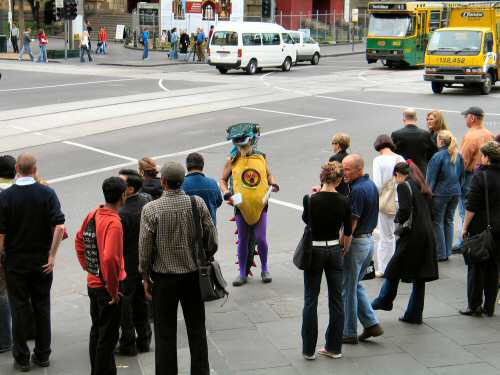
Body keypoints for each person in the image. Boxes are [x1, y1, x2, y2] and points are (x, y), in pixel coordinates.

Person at [139, 162, 217, 375]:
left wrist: (145, 275)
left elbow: (145, 249)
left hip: (163, 279)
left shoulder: (151, 209)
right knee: (197, 330)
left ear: (163, 182)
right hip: (193, 276)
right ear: (181, 181)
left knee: (165, 333)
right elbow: (212, 236)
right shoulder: (196, 203)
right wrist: (206, 256)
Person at [0, 154, 65, 371]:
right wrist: (52, 255)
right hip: (41, 262)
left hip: (15, 262)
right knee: (42, 306)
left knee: (19, 308)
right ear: (35, 168)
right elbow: (59, 226)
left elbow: (1, 233)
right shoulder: (47, 193)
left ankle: (21, 358)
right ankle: (43, 354)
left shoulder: (6, 197)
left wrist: (2, 256)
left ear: (18, 168)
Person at [372, 161, 439, 324]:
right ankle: (414, 314)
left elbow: (404, 210)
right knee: (419, 276)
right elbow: (433, 211)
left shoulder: (403, 186)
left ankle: (383, 300)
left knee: (394, 268)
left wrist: (397, 222)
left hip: (412, 234)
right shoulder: (422, 186)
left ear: (398, 174)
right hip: (427, 233)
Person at [75, 177, 127, 375]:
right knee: (107, 337)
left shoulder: (93, 214)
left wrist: (88, 267)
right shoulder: (114, 223)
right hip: (108, 288)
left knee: (97, 331)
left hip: (93, 284)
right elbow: (110, 259)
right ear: (123, 195)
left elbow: (79, 241)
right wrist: (113, 291)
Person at [301, 162, 352, 361]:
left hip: (314, 250)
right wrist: (342, 249)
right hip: (334, 249)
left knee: (310, 300)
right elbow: (347, 231)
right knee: (337, 299)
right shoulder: (344, 201)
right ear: (339, 180)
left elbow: (307, 220)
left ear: (322, 177)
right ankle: (333, 347)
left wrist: (314, 195)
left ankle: (308, 349)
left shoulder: (310, 200)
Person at [220, 123, 279, 286]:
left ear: (252, 142)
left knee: (261, 238)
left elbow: (269, 175)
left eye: (245, 144)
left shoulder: (261, 157)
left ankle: (265, 268)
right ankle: (242, 273)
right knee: (243, 238)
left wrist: (274, 183)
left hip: (261, 204)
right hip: (240, 206)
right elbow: (223, 180)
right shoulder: (232, 159)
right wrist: (226, 192)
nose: (243, 147)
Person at [341, 154, 383, 344]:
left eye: (347, 169)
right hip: (367, 242)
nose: (344, 173)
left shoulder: (357, 190)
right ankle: (371, 324)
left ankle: (349, 332)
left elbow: (352, 223)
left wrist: (344, 246)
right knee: (355, 285)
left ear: (359, 169)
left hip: (357, 242)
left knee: (347, 289)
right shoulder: (370, 185)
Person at [460, 141, 500, 317]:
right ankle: (489, 306)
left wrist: (464, 227)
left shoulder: (481, 176)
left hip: (482, 227)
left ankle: (474, 305)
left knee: (476, 266)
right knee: (494, 267)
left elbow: (472, 206)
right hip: (499, 228)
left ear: (487, 158)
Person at [115, 170, 152, 356]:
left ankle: (128, 342)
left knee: (126, 304)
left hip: (128, 265)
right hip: (145, 262)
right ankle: (144, 339)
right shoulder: (147, 203)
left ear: (130, 189)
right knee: (140, 301)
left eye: (121, 183)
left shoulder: (122, 214)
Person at [455, 107, 494, 252]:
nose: (465, 119)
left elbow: (462, 161)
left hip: (471, 176)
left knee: (465, 209)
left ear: (472, 118)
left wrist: (456, 179)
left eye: (466, 117)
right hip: (487, 174)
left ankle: (463, 242)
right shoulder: (489, 134)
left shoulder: (470, 136)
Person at [426, 130, 464, 262]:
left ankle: (440, 253)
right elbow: (462, 176)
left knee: (437, 222)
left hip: (441, 193)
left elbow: (431, 179)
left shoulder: (438, 156)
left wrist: (427, 195)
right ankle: (447, 251)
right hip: (455, 192)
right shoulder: (458, 155)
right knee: (449, 220)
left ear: (441, 141)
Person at [372, 135, 405, 276]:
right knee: (399, 235)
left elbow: (378, 185)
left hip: (386, 202)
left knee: (386, 236)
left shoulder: (378, 160)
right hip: (401, 200)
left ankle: (385, 268)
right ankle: (400, 264)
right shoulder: (400, 158)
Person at [0, 155, 16, 355]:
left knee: (1, 292)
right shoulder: (18, 190)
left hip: (3, 250)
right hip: (21, 250)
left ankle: (4, 340)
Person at [391, 108, 436, 175]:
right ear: (416, 119)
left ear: (404, 119)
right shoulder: (425, 134)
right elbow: (433, 152)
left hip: (403, 173)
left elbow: (392, 153)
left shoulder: (396, 134)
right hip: (421, 172)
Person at [182, 152, 222, 225]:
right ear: (202, 165)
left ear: (187, 166)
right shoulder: (213, 183)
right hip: (210, 229)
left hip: (189, 230)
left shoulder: (181, 185)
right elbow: (218, 202)